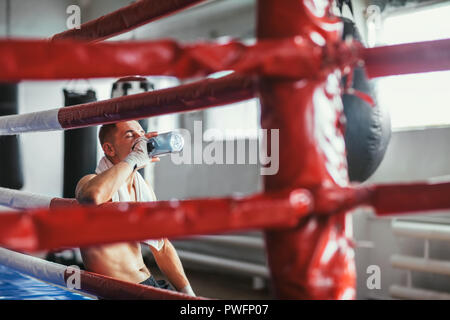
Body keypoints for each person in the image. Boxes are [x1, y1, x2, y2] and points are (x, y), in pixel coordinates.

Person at [75, 120, 195, 296]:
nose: (141, 139)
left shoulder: (142, 187)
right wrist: (133, 159)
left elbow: (161, 247)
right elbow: (93, 196)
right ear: (109, 149)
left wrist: (188, 293)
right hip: (123, 293)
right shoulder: (88, 181)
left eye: (141, 132)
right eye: (130, 135)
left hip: (149, 284)